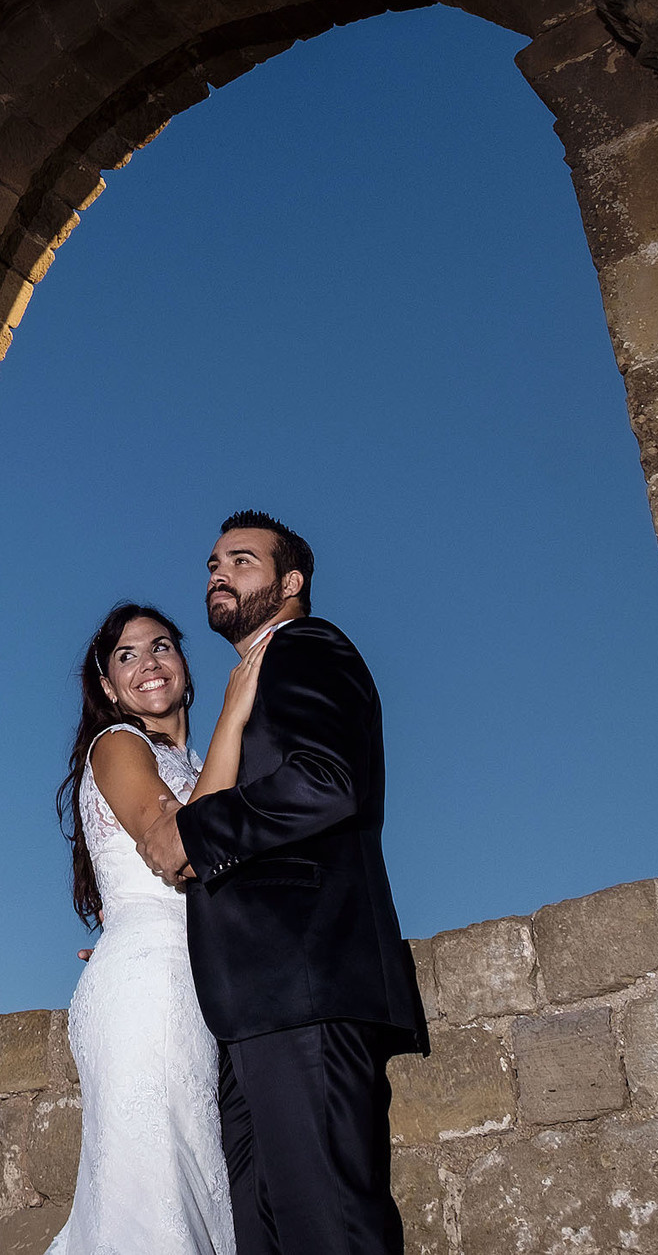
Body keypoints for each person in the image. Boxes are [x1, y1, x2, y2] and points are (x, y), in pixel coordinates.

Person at [134, 510, 429, 1255]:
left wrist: (197, 836)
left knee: (329, 1228)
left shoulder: (305, 645)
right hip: (251, 1004)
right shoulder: (250, 675)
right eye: (211, 564)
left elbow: (327, 782)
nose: (217, 574)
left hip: (305, 983)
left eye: (241, 560)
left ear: (291, 581)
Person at [43, 602, 266, 1254]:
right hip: (154, 988)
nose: (149, 661)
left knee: (201, 1200)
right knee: (158, 1201)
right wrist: (237, 708)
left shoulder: (207, 767)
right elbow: (178, 842)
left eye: (162, 644)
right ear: (110, 687)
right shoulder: (118, 744)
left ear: (185, 666)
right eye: (127, 654)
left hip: (209, 985)